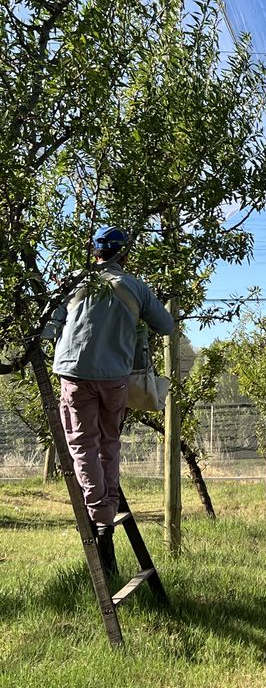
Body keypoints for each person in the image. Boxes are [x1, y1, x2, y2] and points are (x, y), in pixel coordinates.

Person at [48, 226, 174, 572]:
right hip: (115, 378)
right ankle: (107, 509)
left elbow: (47, 325)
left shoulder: (75, 281)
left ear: (95, 253)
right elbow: (167, 326)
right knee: (109, 442)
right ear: (125, 255)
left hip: (73, 372)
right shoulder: (134, 287)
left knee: (81, 443)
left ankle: (99, 513)